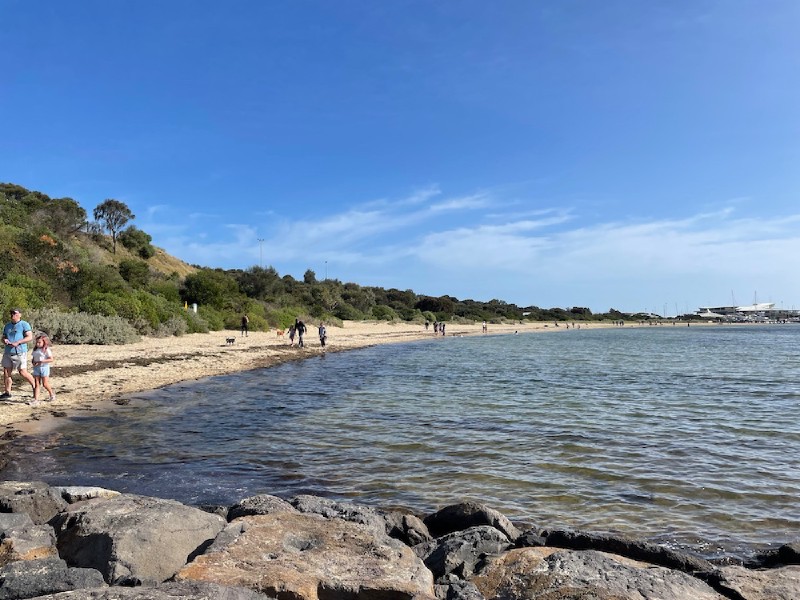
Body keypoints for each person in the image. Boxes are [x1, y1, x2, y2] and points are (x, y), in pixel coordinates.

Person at [2, 308, 36, 401]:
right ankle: (7, 392)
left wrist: (18, 342)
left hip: (19, 352)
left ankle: (35, 387)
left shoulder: (24, 324)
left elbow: (29, 337)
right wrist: (4, 340)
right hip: (8, 351)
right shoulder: (7, 326)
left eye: (15, 313)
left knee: (22, 372)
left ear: (20, 314)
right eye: (11, 313)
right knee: (6, 372)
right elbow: (4, 336)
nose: (13, 315)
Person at [31, 333, 55, 405]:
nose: (38, 344)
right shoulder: (35, 350)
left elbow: (51, 359)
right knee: (37, 384)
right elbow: (33, 358)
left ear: (44, 342)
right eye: (37, 342)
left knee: (45, 384)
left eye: (39, 342)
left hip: (44, 367)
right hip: (36, 368)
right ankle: (36, 400)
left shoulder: (46, 349)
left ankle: (51, 394)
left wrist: (42, 361)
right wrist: (33, 362)